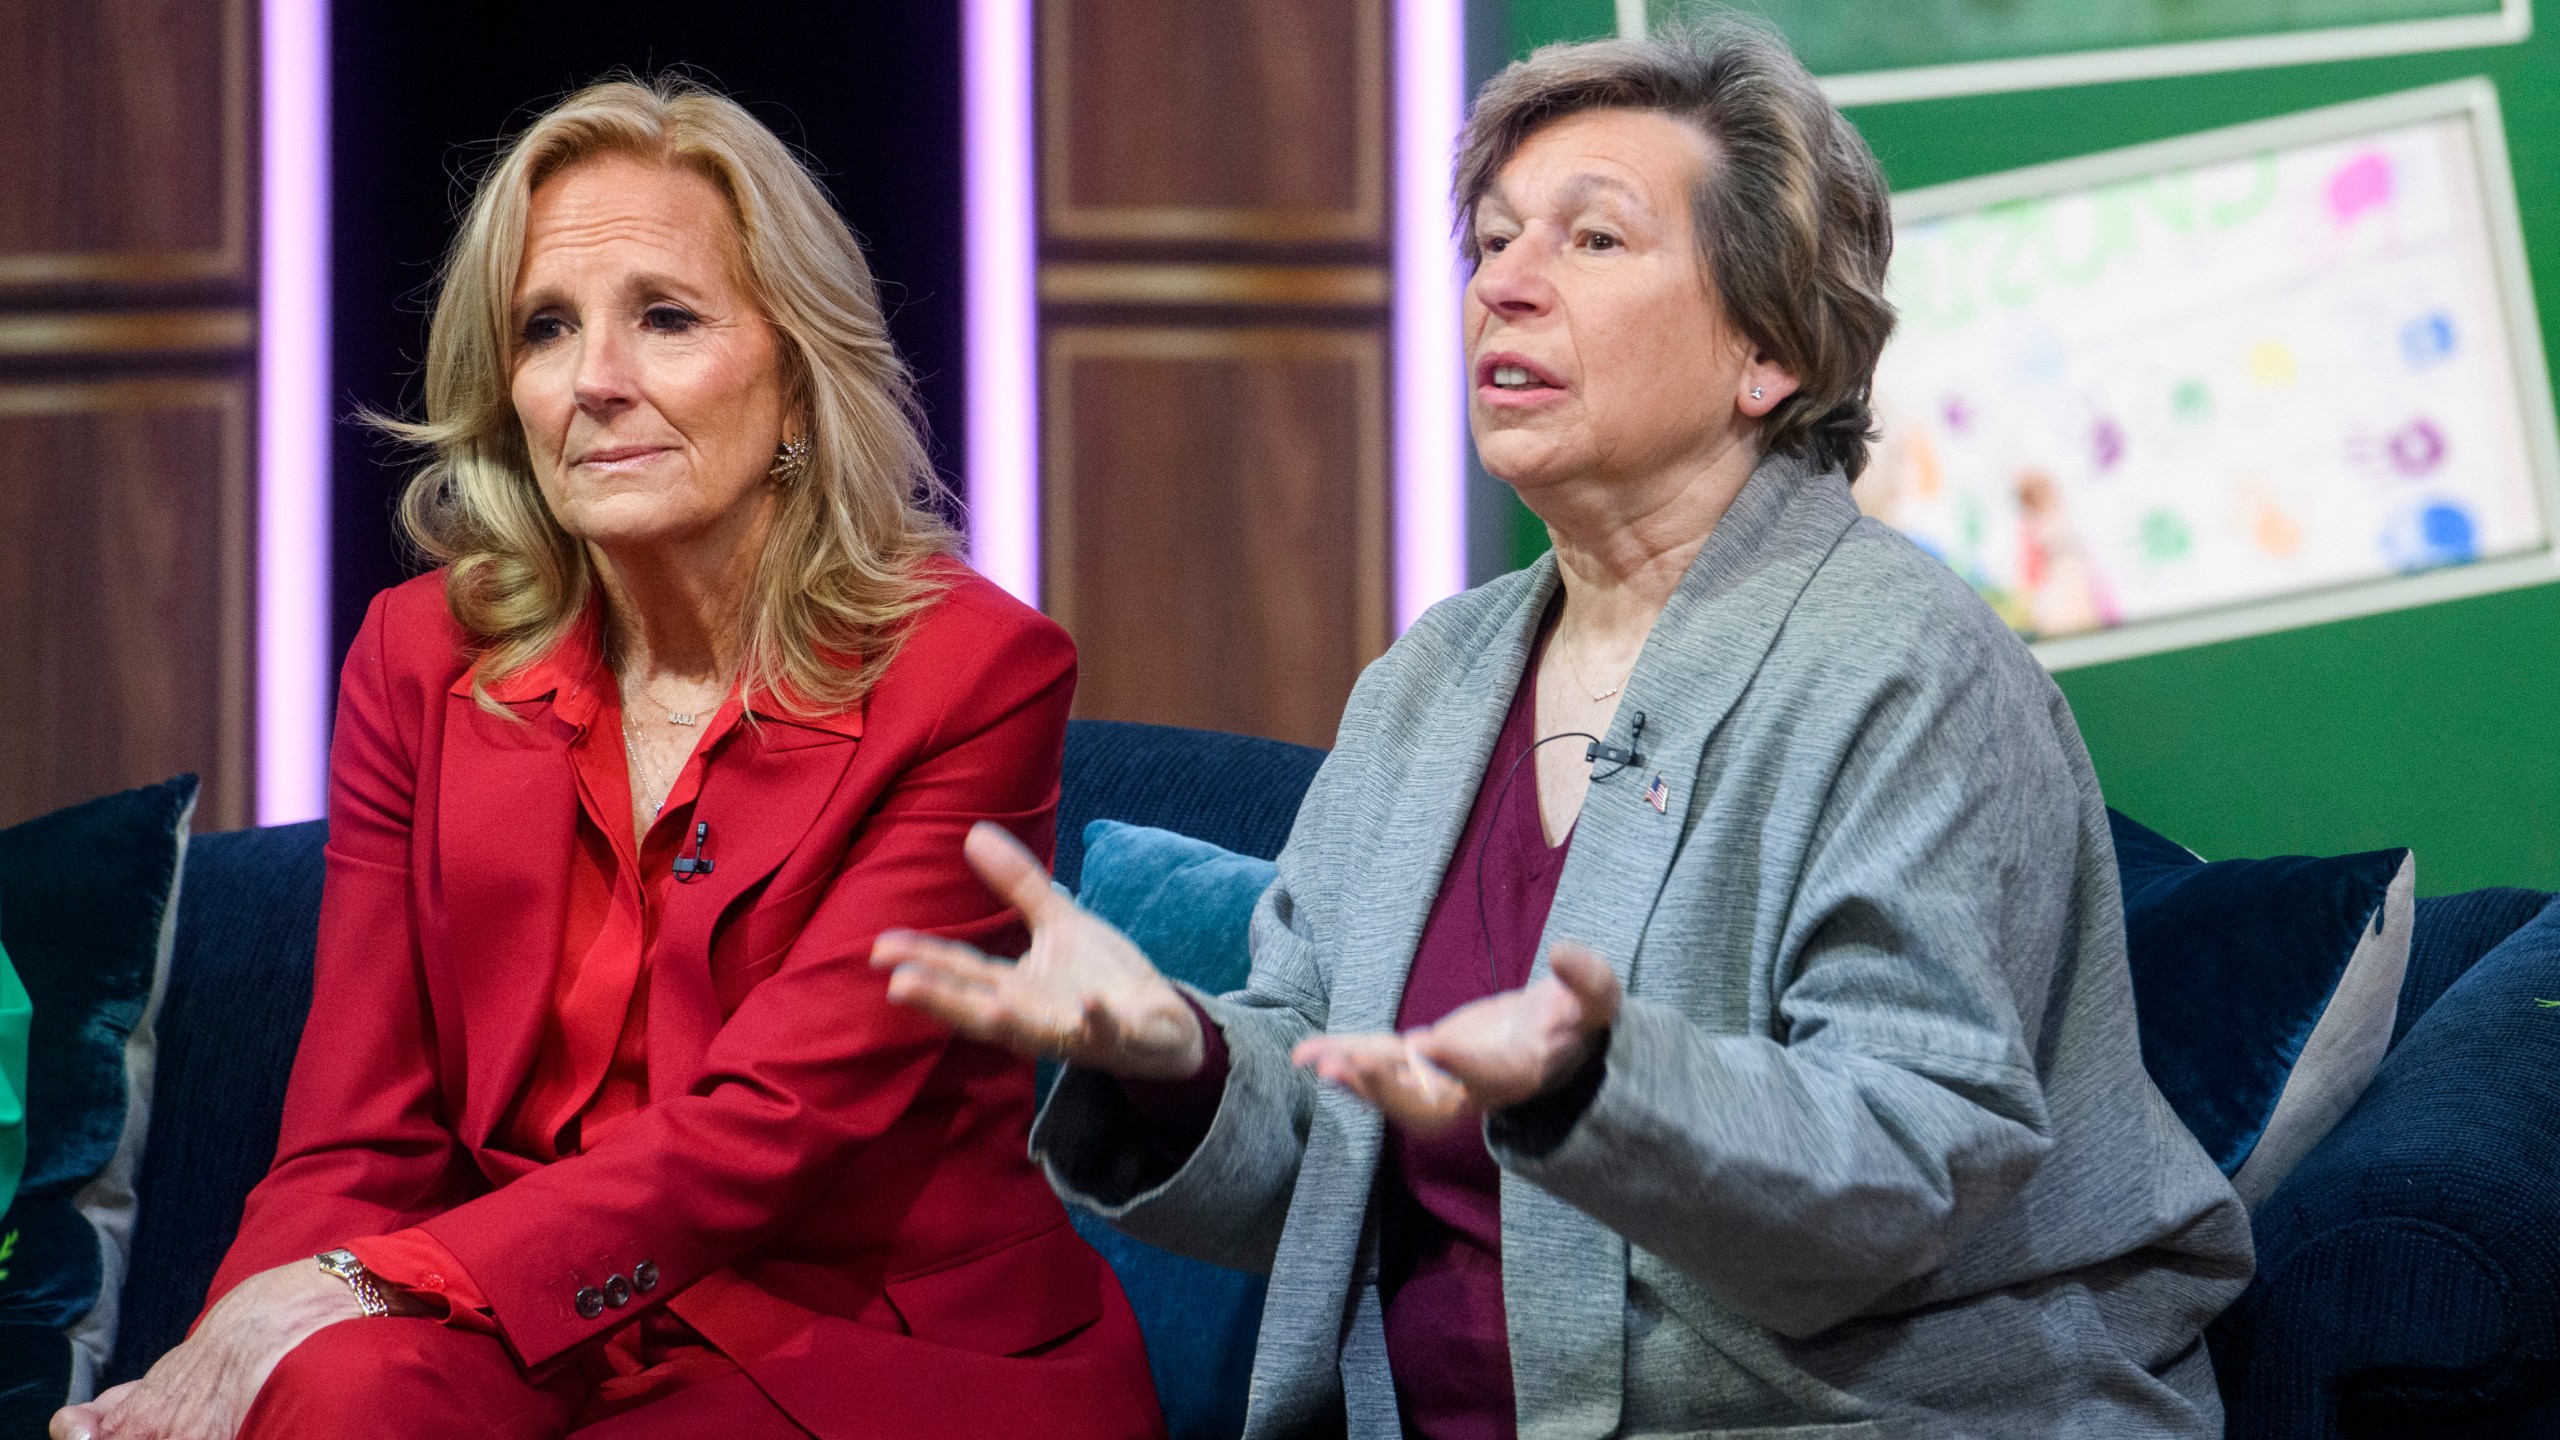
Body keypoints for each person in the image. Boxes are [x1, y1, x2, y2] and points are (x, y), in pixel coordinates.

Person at [875, 21, 2253, 1439]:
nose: (1504, 289)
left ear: (1767, 347)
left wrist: (1604, 1083)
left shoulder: (1905, 668)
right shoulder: (1431, 678)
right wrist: (1179, 1058)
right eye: (1490, 241)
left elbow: (1905, 1165)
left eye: (1592, 242)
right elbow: (1328, 1150)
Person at [57, 78, 1160, 1440]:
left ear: (799, 380)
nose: (594, 383)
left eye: (668, 318)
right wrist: (231, 1359)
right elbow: (360, 1132)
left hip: (865, 1345)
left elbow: (767, 1134)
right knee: (333, 1394)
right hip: (529, 1324)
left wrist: (362, 1283)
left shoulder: (971, 675)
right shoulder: (421, 662)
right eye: (546, 329)